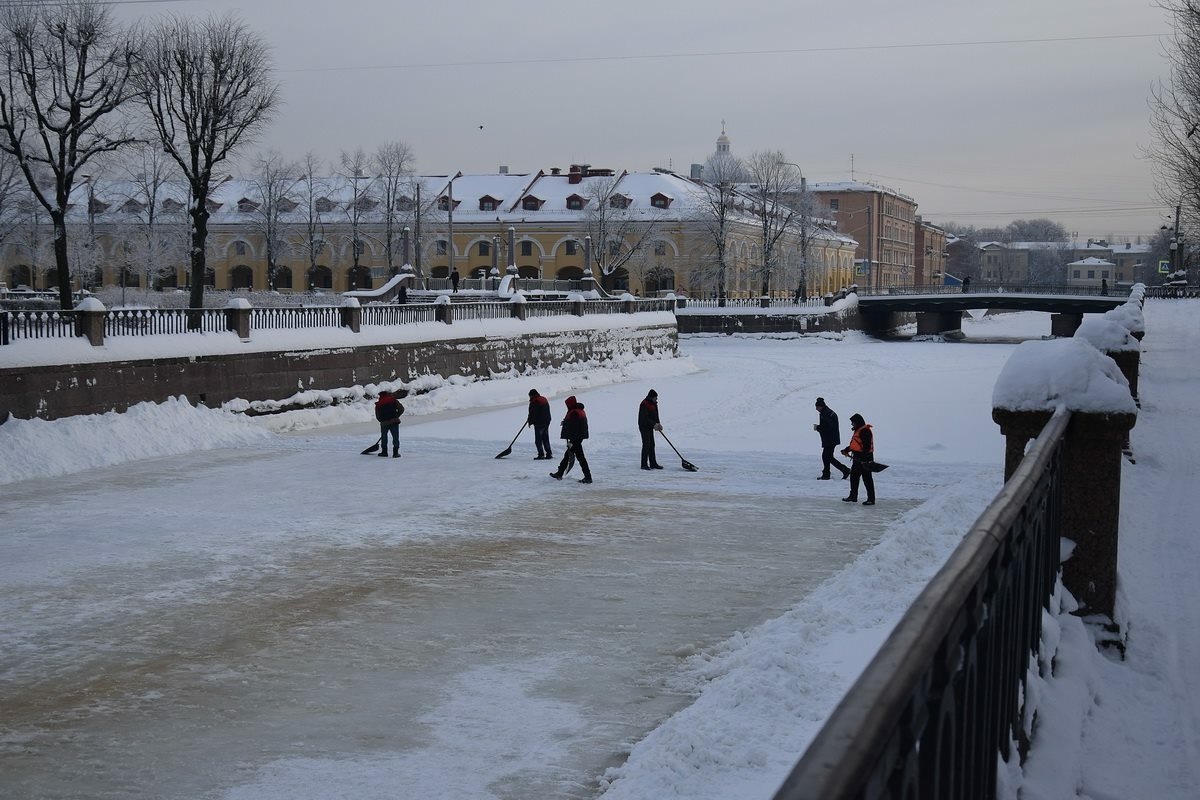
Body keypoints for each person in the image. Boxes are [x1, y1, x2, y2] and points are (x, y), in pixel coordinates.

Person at [551, 395, 592, 484]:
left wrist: (572, 441)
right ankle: (560, 473)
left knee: (580, 457)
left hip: (576, 438)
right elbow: (574, 424)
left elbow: (575, 427)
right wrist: (565, 423)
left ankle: (588, 477)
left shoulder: (574, 412)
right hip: (579, 437)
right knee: (568, 456)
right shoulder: (578, 410)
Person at [840, 413, 876, 505]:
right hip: (858, 457)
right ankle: (853, 496)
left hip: (865, 458)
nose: (852, 424)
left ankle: (871, 499)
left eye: (853, 423)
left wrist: (864, 458)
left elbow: (867, 447)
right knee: (854, 477)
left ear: (857, 422)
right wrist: (846, 450)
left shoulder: (865, 431)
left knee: (867, 479)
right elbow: (855, 445)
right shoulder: (859, 430)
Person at [814, 397, 850, 480]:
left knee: (827, 456)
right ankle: (831, 473)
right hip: (830, 438)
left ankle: (843, 470)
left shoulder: (826, 413)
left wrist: (818, 428)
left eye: (817, 407)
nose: (816, 409)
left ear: (821, 406)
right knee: (827, 456)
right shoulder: (826, 412)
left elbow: (829, 427)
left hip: (830, 439)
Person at [638, 389, 664, 470]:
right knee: (646, 444)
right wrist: (654, 424)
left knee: (652, 444)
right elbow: (645, 418)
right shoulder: (644, 404)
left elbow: (656, 415)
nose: (656, 399)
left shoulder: (653, 404)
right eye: (655, 398)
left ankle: (653, 463)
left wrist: (658, 424)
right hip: (644, 426)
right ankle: (644, 464)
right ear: (651, 397)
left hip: (650, 426)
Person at [374, 390, 404, 458]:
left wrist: (383, 421)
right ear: (387, 394)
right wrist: (396, 416)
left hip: (384, 423)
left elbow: (378, 416)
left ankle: (384, 452)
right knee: (395, 437)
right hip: (394, 421)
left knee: (384, 437)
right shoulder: (393, 400)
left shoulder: (378, 404)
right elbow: (401, 409)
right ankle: (395, 453)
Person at [527, 389, 553, 460]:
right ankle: (549, 454)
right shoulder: (543, 398)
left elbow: (533, 413)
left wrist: (530, 421)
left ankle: (541, 454)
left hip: (539, 423)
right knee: (545, 438)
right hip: (546, 421)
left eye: (530, 396)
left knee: (538, 440)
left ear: (532, 395)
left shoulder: (535, 401)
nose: (529, 398)